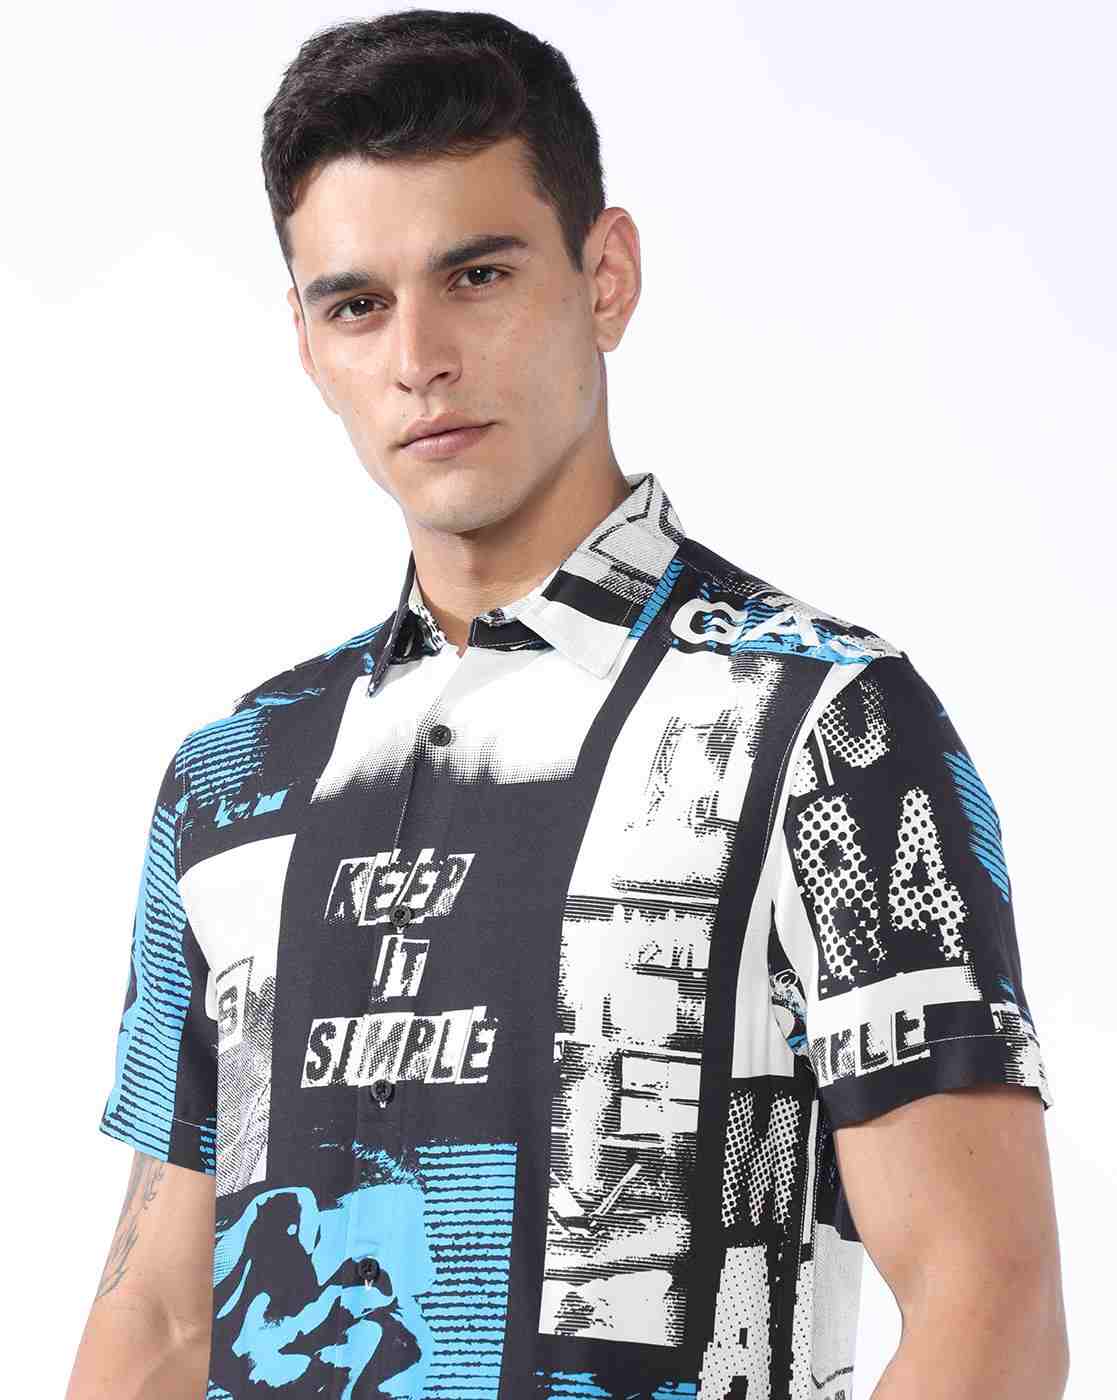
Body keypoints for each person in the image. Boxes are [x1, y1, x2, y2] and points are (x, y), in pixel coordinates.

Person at [66, 10, 1069, 1399]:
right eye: (357, 305)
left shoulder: (821, 721)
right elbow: (163, 1319)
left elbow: (990, 1306)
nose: (418, 356)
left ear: (606, 277)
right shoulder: (236, 779)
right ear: (305, 340)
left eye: (475, 275)